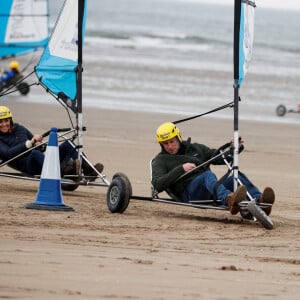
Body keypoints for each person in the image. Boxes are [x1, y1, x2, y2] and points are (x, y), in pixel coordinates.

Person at [151, 122, 275, 216]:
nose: (169, 146)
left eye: (172, 142)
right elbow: (157, 185)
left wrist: (234, 149)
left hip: (212, 189)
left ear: (178, 137)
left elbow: (219, 158)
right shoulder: (160, 160)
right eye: (165, 144)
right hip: (190, 194)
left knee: (236, 176)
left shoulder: (196, 148)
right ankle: (229, 199)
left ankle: (260, 202)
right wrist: (181, 169)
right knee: (207, 175)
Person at [0, 106, 103, 180]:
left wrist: (40, 145)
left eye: (6, 121)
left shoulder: (19, 128)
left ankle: (89, 170)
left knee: (68, 143)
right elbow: (8, 154)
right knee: (34, 153)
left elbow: (40, 146)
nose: (4, 124)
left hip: (42, 161)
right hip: (28, 166)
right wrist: (30, 144)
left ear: (10, 120)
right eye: (1, 121)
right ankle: (63, 170)